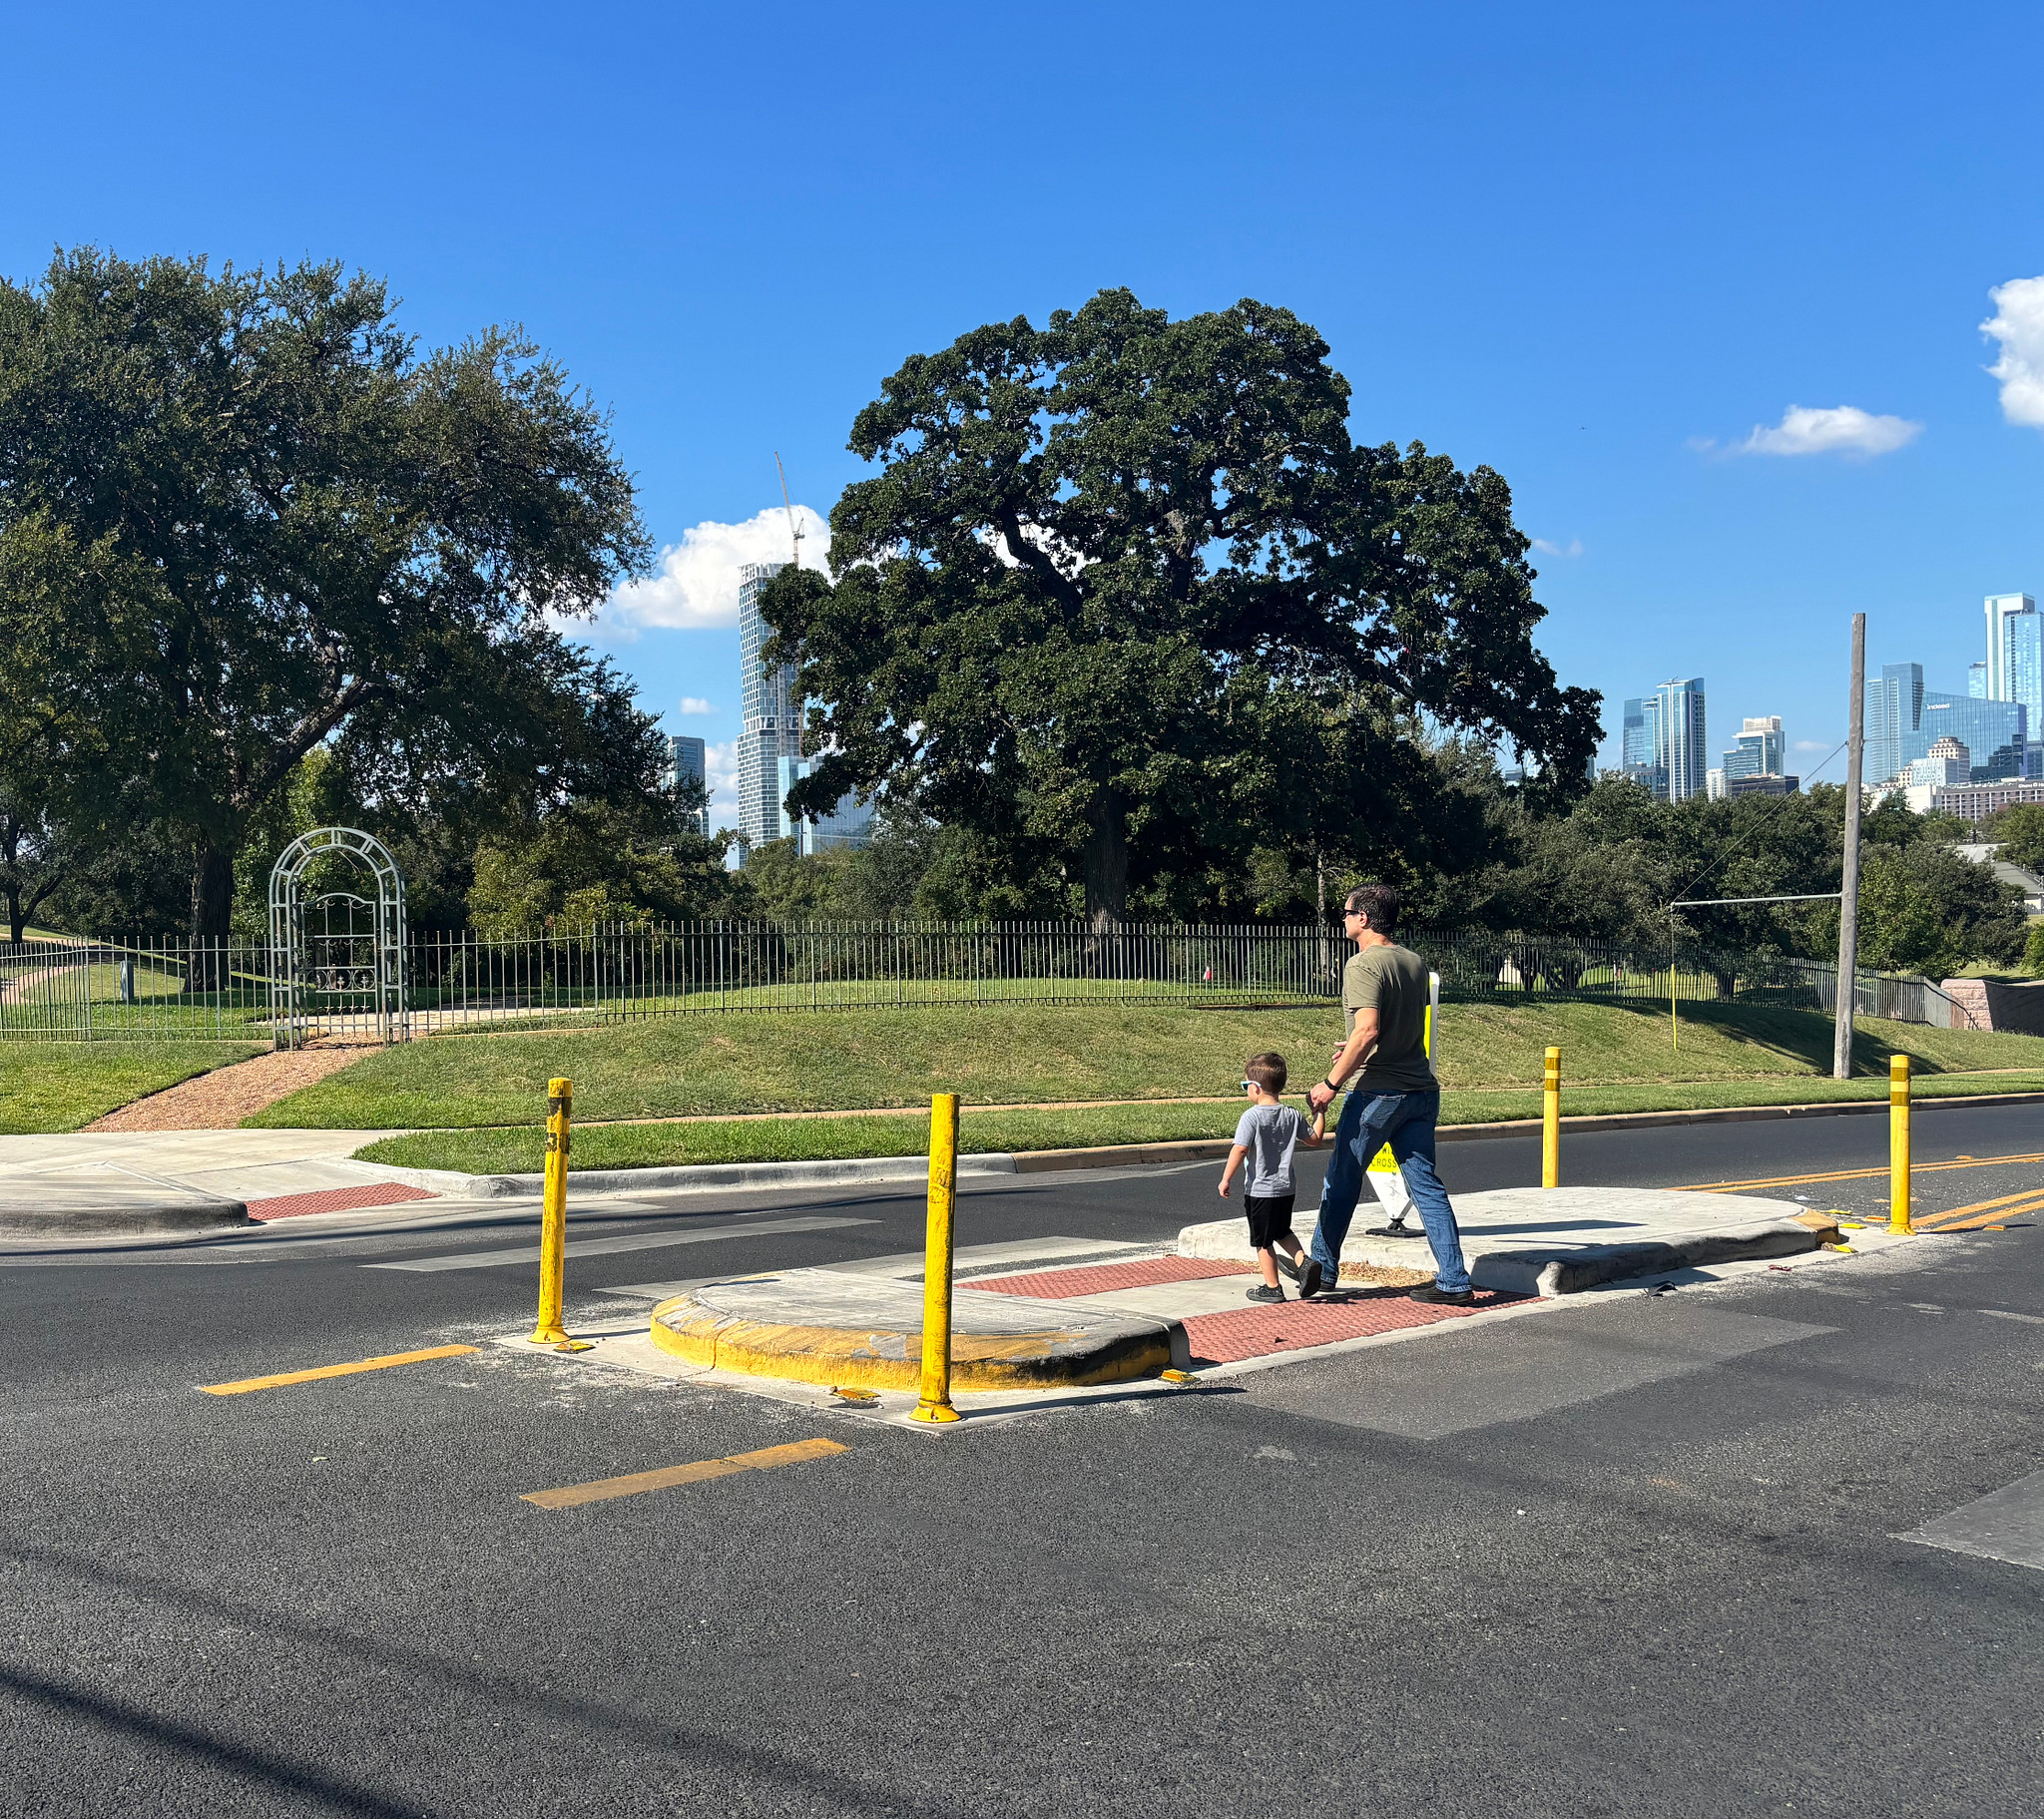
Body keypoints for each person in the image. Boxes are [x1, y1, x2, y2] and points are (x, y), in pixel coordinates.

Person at [1304, 884, 1474, 1306]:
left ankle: (1322, 1272)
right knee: (1426, 1187)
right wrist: (1355, 1049)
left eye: (1344, 913)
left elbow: (1369, 1030)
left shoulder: (1362, 965)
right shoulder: (1414, 962)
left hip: (1379, 1092)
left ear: (1363, 918)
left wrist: (1330, 1084)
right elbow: (1396, 1028)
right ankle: (1454, 1280)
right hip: (1421, 1089)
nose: (1341, 920)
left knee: (1340, 1180)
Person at [1217, 1052, 1326, 1303]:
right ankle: (1304, 1262)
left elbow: (1240, 1149)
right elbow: (1315, 1139)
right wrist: (1319, 1112)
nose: (1246, 1090)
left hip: (1260, 1190)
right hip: (1286, 1188)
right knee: (1282, 1231)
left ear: (1255, 1088)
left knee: (1263, 1241)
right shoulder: (1292, 1114)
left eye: (1246, 1086)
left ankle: (1272, 1286)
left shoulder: (1251, 1117)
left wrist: (1226, 1179)